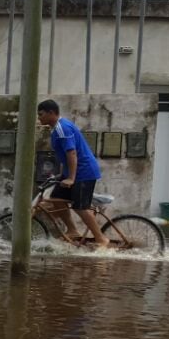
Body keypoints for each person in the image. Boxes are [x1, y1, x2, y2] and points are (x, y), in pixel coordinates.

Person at [37, 99, 109, 247]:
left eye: (41, 114)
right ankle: (72, 230)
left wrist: (71, 178)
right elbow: (65, 156)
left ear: (51, 113)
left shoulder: (62, 128)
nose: (39, 118)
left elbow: (72, 153)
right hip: (74, 171)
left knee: (79, 207)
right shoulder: (57, 128)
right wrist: (62, 174)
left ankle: (102, 239)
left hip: (84, 172)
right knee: (56, 198)